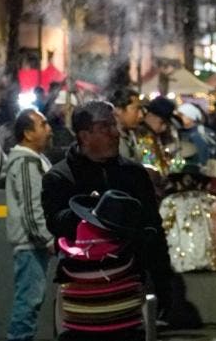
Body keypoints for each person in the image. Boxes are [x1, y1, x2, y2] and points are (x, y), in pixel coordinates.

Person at [41, 101, 173, 325]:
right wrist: (93, 209)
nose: (116, 134)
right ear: (84, 135)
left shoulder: (133, 174)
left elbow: (153, 227)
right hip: (81, 291)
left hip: (128, 289)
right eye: (106, 128)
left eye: (115, 126)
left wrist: (162, 284)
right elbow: (56, 224)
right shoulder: (59, 177)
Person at [5, 108, 53, 341]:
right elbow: (32, 208)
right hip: (30, 245)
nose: (49, 129)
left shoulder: (35, 160)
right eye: (43, 125)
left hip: (34, 244)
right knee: (28, 304)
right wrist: (48, 239)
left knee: (31, 303)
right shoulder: (25, 163)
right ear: (28, 133)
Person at [136, 96, 178, 175]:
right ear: (150, 115)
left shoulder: (155, 136)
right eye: (161, 122)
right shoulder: (141, 135)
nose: (164, 128)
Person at [109, 87, 143, 162]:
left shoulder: (132, 135)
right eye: (136, 109)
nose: (141, 115)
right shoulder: (107, 141)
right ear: (118, 110)